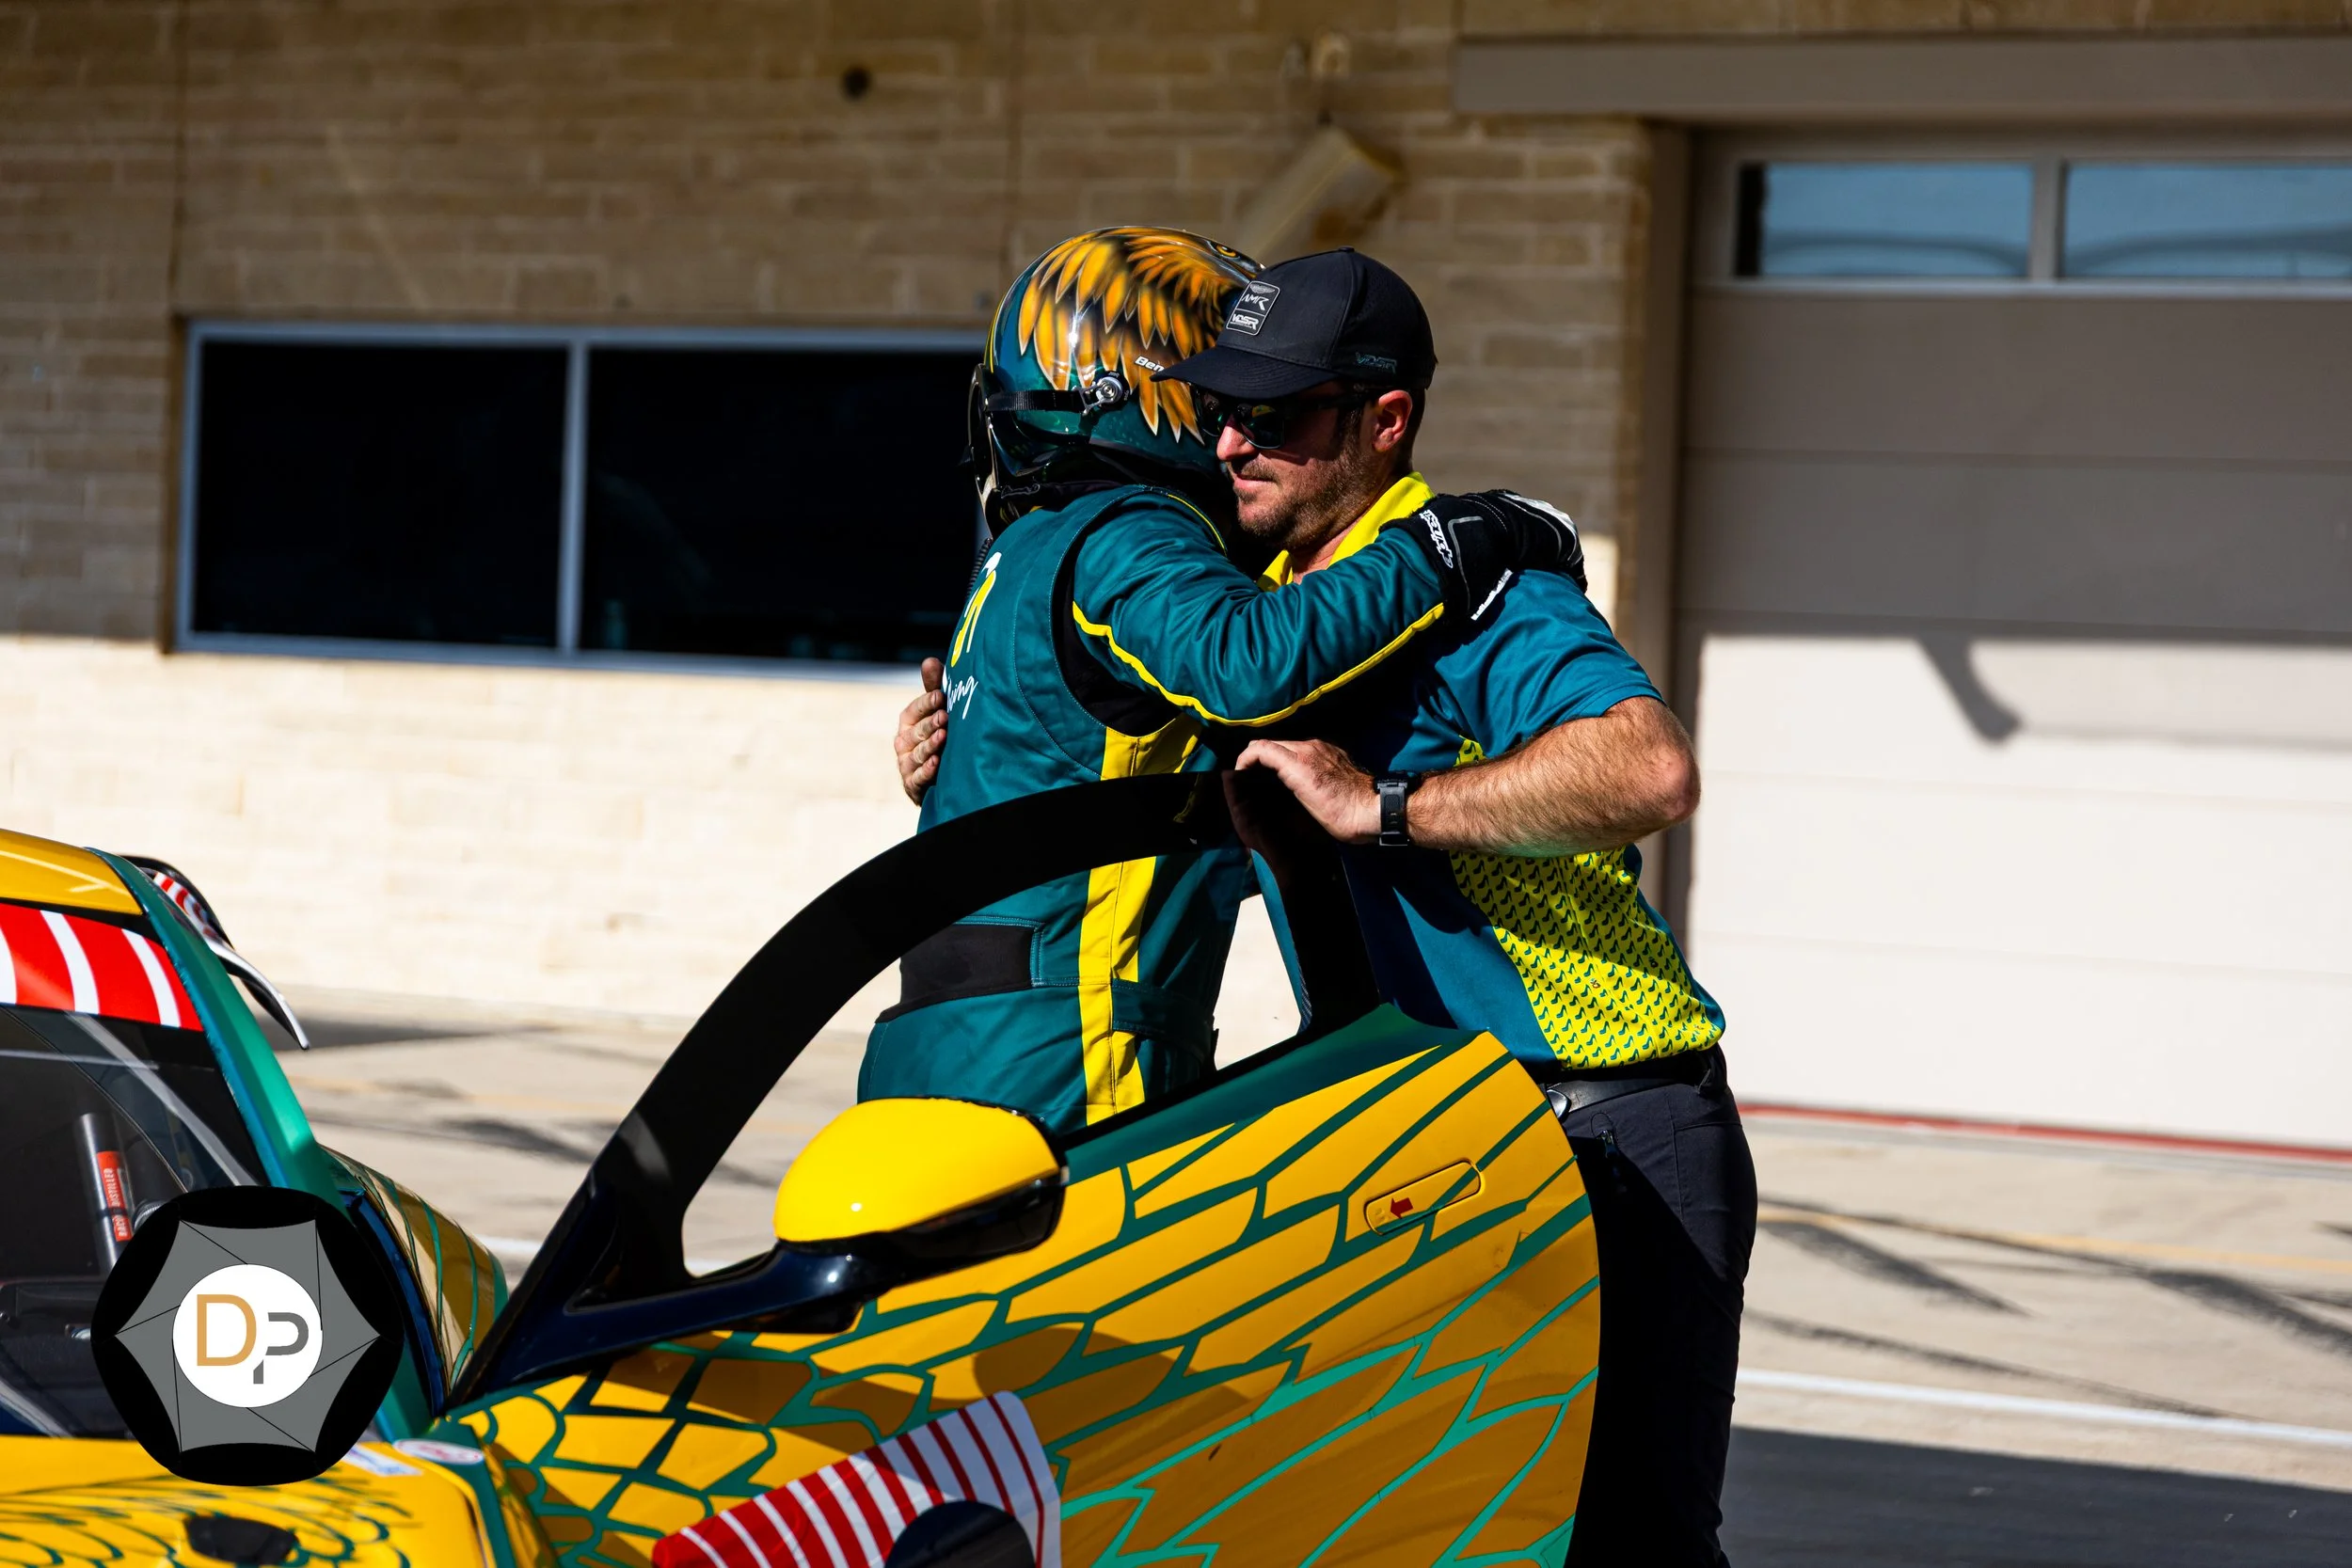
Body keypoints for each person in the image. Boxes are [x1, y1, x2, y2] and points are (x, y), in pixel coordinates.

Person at [904, 245, 1754, 1567]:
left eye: (1276, 414)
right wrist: (961, 748)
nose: (1231, 440)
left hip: (1607, 1121)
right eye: (1218, 406)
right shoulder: (1274, 620)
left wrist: (1388, 805)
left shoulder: (1483, 595)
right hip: (1446, 1137)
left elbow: (1649, 768)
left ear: (1384, 419)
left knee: (1627, 1542)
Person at [868, 227, 1582, 1138]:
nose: (1241, 431)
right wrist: (1452, 542)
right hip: (1066, 1066)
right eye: (1234, 398)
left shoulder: (1021, 557)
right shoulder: (1129, 532)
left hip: (950, 1053)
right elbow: (1246, 663)